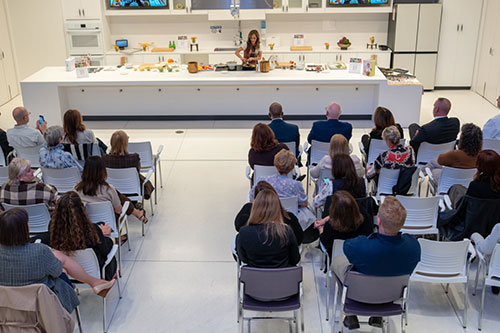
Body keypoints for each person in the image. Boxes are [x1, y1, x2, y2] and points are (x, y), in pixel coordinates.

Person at [0, 208, 115, 313]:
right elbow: (56, 271)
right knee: (61, 266)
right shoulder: (39, 251)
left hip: (7, 305)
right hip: (42, 302)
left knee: (59, 260)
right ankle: (95, 282)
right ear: (24, 229)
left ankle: (95, 283)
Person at [332, 196, 421, 329]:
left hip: (359, 294)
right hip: (391, 296)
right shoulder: (414, 247)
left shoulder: (361, 247)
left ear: (378, 220)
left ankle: (350, 313)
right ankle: (378, 315)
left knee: (337, 262)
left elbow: (347, 246)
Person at [49, 192, 117, 281]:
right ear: (82, 209)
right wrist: (104, 236)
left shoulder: (52, 228)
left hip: (66, 274)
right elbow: (105, 250)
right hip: (94, 274)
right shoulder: (92, 231)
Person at [250, 149, 316, 231]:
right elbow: (304, 203)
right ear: (292, 167)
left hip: (265, 215)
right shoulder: (295, 185)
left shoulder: (262, 181)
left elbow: (252, 199)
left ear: (275, 163)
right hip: (289, 218)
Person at [74, 156, 148, 224]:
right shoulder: (108, 189)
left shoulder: (76, 189)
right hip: (108, 225)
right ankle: (135, 215)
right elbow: (118, 210)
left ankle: (136, 213)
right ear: (103, 171)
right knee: (118, 202)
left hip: (86, 224)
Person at [236, 189, 300, 268]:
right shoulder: (286, 231)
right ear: (277, 208)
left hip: (255, 278)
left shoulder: (244, 233)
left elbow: (244, 259)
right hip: (283, 278)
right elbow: (295, 259)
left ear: (254, 207)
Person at [235, 180, 303, 245]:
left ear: (256, 199)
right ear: (275, 197)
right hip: (282, 256)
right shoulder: (289, 218)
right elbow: (299, 239)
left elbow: (238, 227)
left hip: (252, 255)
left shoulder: (247, 213)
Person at [314, 191, 373, 257]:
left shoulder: (330, 227)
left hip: (337, 258)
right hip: (360, 255)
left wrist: (321, 229)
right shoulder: (364, 216)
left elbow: (325, 242)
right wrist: (325, 219)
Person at [101, 130, 154, 200]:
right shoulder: (134, 158)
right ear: (126, 143)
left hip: (112, 191)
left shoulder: (105, 159)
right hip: (132, 190)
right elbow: (137, 172)